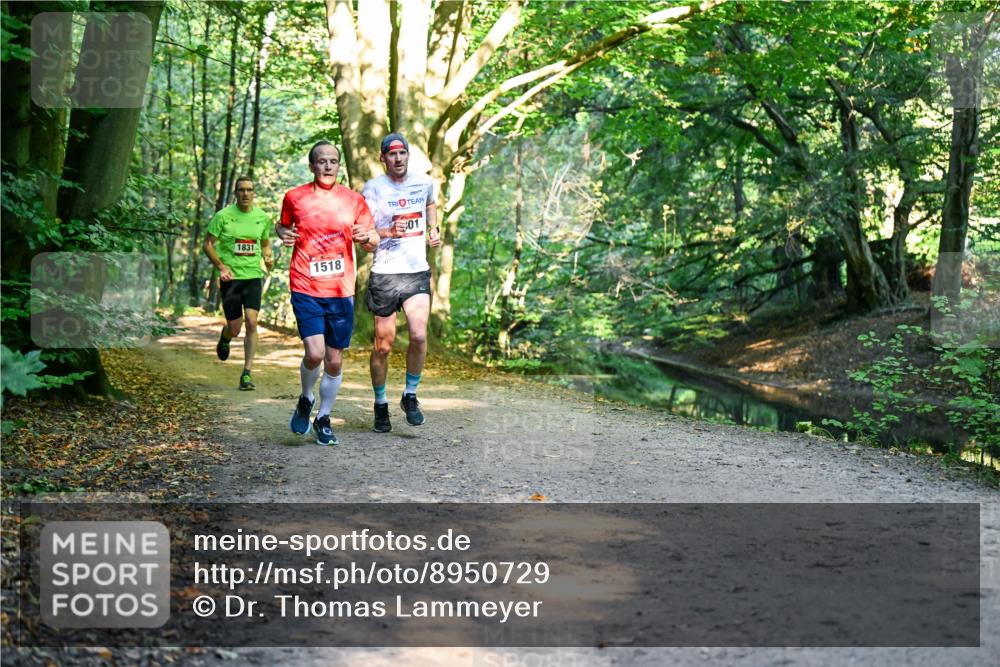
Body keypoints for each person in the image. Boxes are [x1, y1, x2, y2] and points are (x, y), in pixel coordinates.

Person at [276, 141, 378, 445]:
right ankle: (306, 398)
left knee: (334, 361)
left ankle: (323, 417)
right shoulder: (294, 197)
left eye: (333, 161)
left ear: (338, 165)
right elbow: (282, 227)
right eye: (322, 161)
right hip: (305, 285)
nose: (328, 166)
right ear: (312, 166)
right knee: (315, 353)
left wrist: (366, 237)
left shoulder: (353, 200)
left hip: (340, 290)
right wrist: (283, 233)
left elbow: (372, 240)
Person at [361, 133, 441, 432]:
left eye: (402, 153)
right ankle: (380, 404)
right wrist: (388, 232)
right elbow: (364, 233)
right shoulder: (373, 188)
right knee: (383, 345)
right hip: (385, 273)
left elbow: (430, 204)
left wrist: (433, 228)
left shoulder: (424, 182)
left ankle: (410, 395)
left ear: (408, 155)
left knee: (419, 336)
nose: (398, 158)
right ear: (383, 158)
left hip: (416, 270)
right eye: (392, 154)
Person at [204, 176, 273, 391]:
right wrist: (221, 267)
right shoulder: (223, 216)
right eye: (241, 190)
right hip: (231, 279)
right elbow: (208, 244)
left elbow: (265, 243)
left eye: (249, 190)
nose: (245, 193)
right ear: (236, 193)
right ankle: (225, 337)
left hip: (253, 276)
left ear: (254, 193)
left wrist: (268, 257)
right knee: (235, 328)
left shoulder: (262, 217)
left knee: (252, 322)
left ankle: (247, 373)